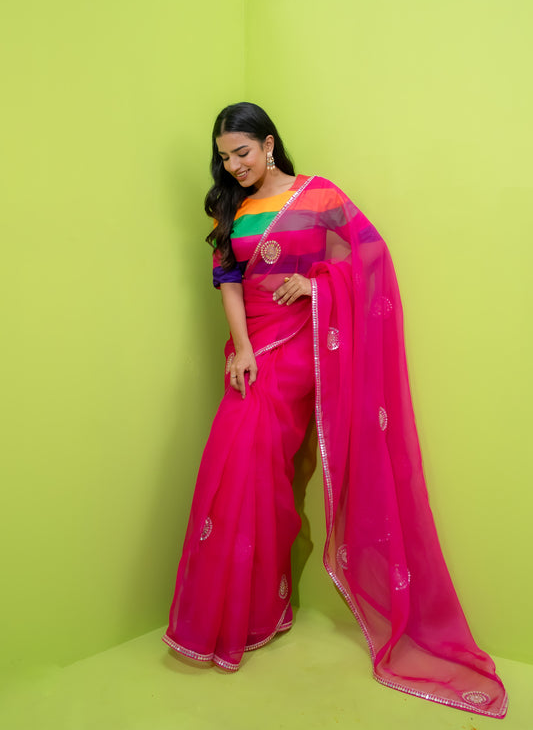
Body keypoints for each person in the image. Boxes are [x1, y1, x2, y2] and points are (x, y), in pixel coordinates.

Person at [163, 103, 507, 718]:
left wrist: (317, 283)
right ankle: (254, 613)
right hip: (253, 347)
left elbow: (371, 258)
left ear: (269, 144)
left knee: (261, 467)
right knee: (242, 469)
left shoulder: (319, 196)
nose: (233, 165)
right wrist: (242, 348)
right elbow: (228, 279)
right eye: (224, 156)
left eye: (242, 151)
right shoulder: (227, 208)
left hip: (302, 343)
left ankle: (259, 609)